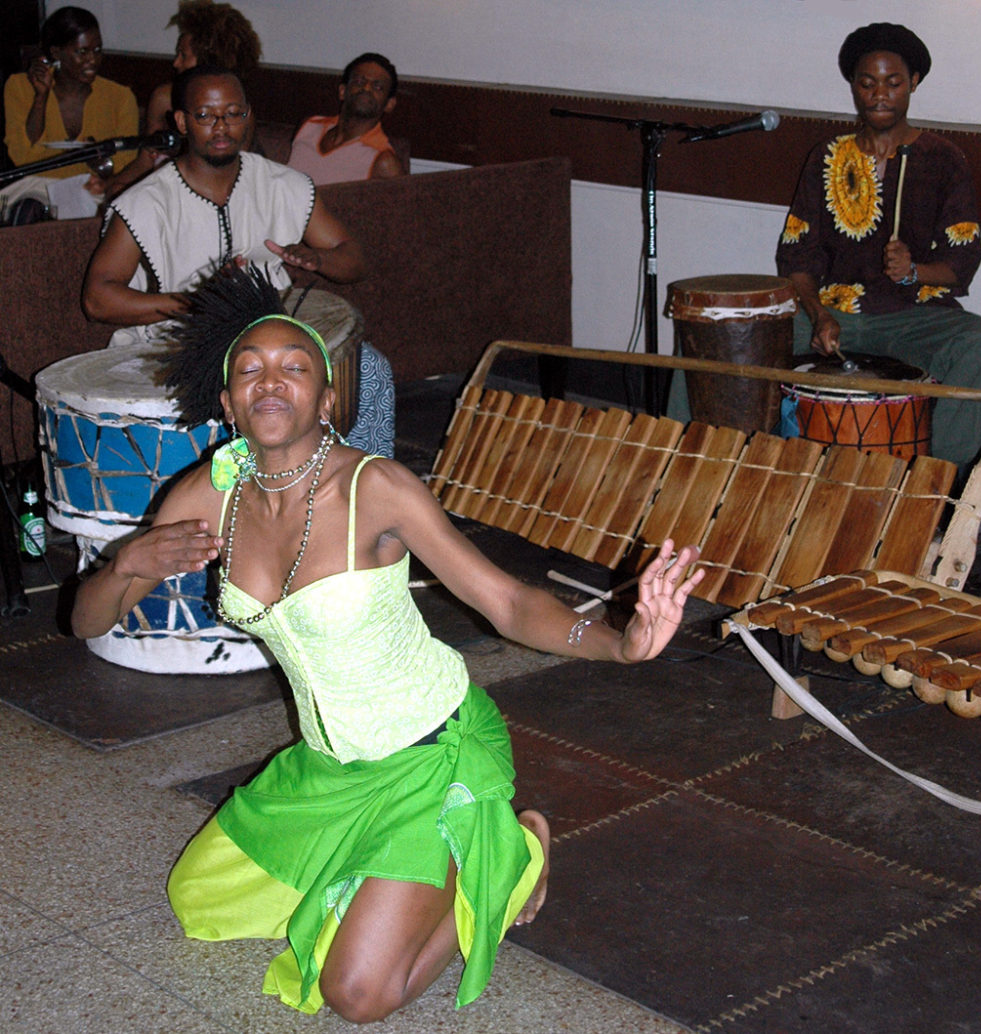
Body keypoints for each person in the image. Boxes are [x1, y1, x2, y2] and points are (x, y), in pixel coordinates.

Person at [69, 261, 704, 1022]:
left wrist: (620, 644)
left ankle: (515, 851)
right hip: (327, 767)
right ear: (228, 399)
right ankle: (384, 874)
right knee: (196, 900)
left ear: (327, 397)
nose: (271, 382)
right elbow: (87, 621)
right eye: (251, 370)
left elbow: (505, 600)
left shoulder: (376, 488)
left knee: (358, 994)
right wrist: (125, 563)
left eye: (294, 367)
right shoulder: (208, 493)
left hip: (426, 753)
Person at [82, 65, 395, 457]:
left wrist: (316, 258)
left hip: (271, 339)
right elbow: (98, 298)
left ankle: (359, 497)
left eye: (234, 114)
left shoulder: (282, 185)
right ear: (181, 121)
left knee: (371, 369)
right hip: (185, 344)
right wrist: (198, 303)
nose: (221, 127)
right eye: (206, 115)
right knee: (244, 391)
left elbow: (354, 259)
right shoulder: (145, 203)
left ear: (247, 117)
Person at [775, 22, 981, 468]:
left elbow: (963, 260)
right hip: (835, 311)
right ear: (854, 87)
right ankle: (702, 460)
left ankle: (942, 484)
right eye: (867, 82)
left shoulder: (944, 159)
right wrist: (817, 314)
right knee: (727, 329)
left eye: (893, 82)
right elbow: (797, 256)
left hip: (914, 317)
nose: (880, 93)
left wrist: (914, 270)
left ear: (913, 84)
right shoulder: (826, 156)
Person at [101, 0, 261, 199]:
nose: (176, 63)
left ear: (207, 61)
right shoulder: (163, 99)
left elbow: (231, 180)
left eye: (183, 55)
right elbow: (145, 161)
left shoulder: (238, 113)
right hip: (164, 189)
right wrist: (111, 186)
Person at [3, 6, 138, 193]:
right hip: (36, 190)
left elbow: (127, 162)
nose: (92, 60)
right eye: (82, 52)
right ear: (57, 53)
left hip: (95, 191)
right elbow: (23, 156)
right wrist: (41, 97)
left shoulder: (120, 97)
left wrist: (99, 161)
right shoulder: (20, 87)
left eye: (97, 50)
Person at [288, 52, 405, 184]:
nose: (366, 88)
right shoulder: (309, 126)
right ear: (342, 91)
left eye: (377, 87)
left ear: (389, 104)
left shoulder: (384, 161)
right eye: (359, 81)